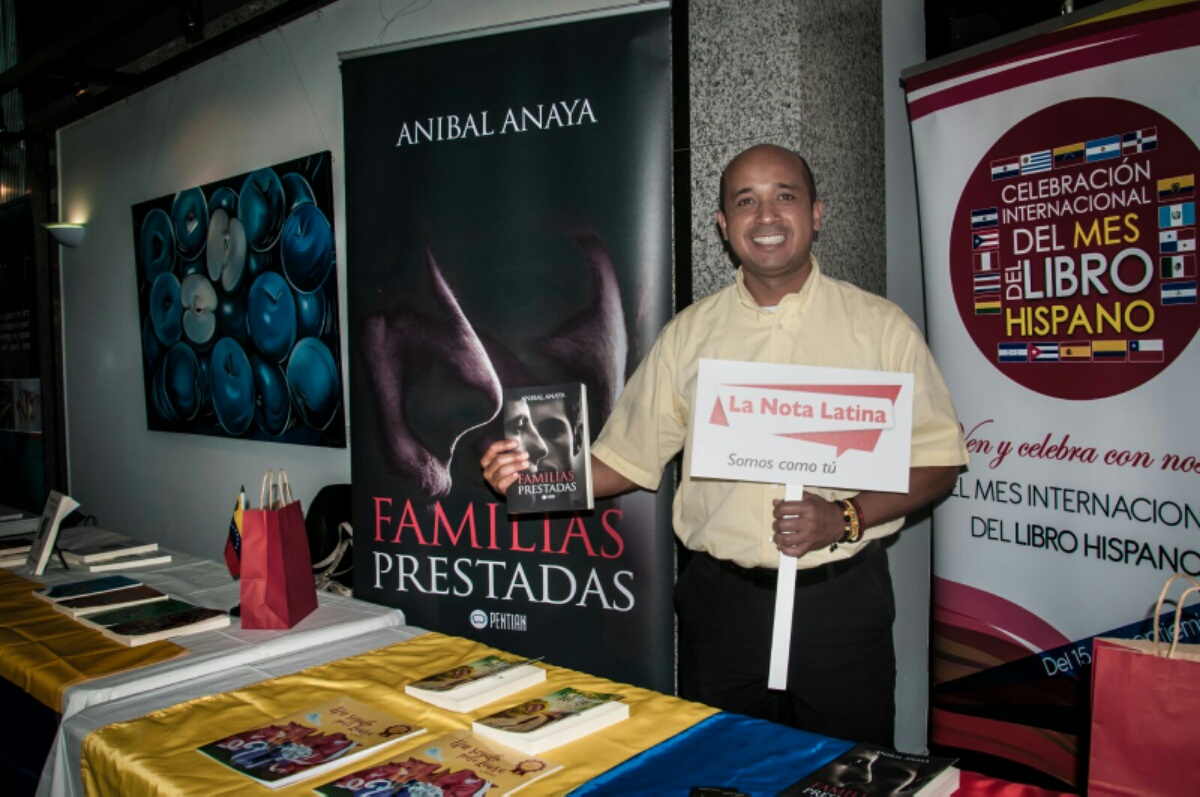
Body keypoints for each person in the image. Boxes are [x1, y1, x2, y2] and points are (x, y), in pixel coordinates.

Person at [483, 143, 968, 746]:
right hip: (723, 607)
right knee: (723, 772)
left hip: (840, 605)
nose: (765, 216)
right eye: (746, 202)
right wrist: (532, 472)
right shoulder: (690, 335)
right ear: (723, 224)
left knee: (846, 777)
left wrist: (844, 516)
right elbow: (626, 457)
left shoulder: (880, 329)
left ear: (817, 212)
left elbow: (939, 462)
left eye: (784, 197)